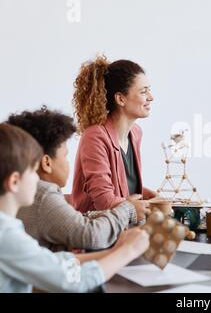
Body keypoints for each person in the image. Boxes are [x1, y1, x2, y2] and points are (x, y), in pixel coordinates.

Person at [0, 123, 149, 293]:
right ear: (14, 182)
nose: (36, 178)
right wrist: (128, 251)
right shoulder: (6, 236)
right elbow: (73, 281)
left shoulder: (9, 228)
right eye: (33, 171)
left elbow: (51, 262)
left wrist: (115, 251)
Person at [7, 107, 149, 251]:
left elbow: (75, 220)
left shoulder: (26, 198)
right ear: (47, 163)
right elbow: (91, 235)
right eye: (65, 156)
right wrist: (127, 210)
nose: (69, 162)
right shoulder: (44, 196)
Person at [71, 55, 157, 213]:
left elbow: (122, 187)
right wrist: (136, 207)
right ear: (120, 99)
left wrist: (150, 196)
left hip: (124, 226)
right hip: (96, 231)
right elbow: (104, 200)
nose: (151, 97)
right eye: (144, 92)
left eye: (149, 91)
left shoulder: (136, 133)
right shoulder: (95, 136)